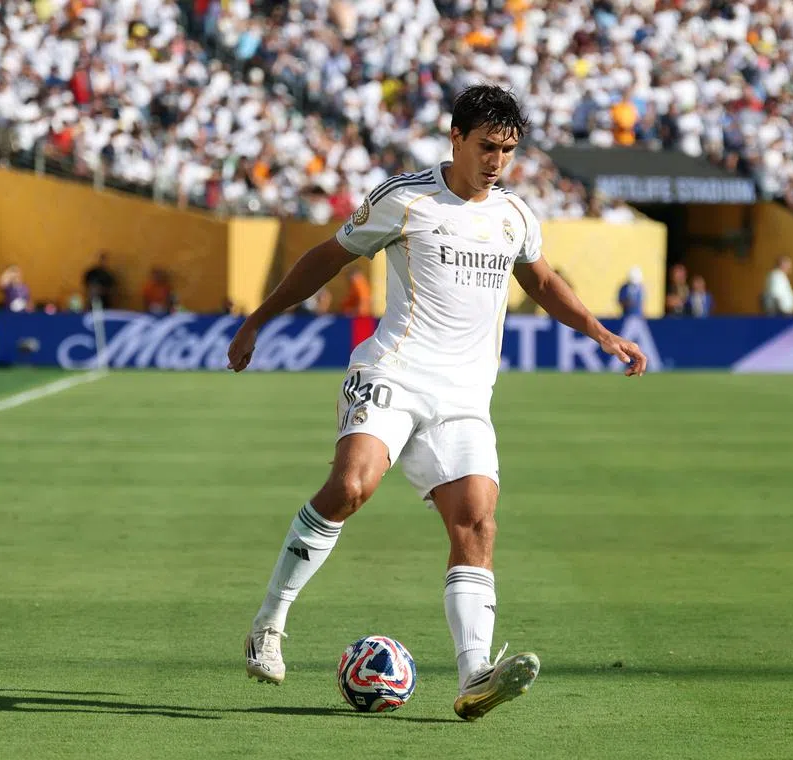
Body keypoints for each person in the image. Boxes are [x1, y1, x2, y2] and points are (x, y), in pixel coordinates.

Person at [227, 85, 647, 721]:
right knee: (350, 487)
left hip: (464, 398)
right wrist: (258, 319)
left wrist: (601, 332)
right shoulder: (406, 199)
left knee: (477, 520)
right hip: (394, 372)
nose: (497, 161)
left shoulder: (515, 215)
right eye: (487, 147)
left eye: (508, 149)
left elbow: (541, 281)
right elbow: (327, 258)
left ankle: (476, 674)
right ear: (456, 138)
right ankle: (269, 623)